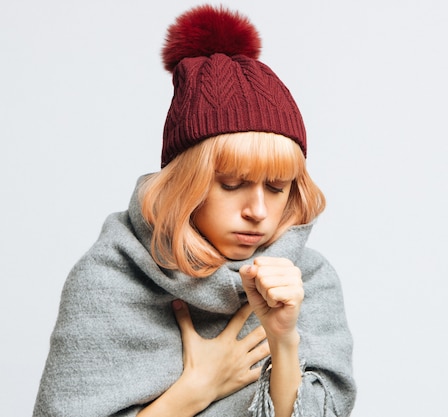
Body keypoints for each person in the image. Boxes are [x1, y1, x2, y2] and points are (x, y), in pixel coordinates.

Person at [33, 5, 356, 417]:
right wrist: (196, 389)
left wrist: (284, 340)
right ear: (186, 184)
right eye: (232, 184)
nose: (258, 211)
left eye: (276, 188)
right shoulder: (108, 278)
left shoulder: (307, 281)